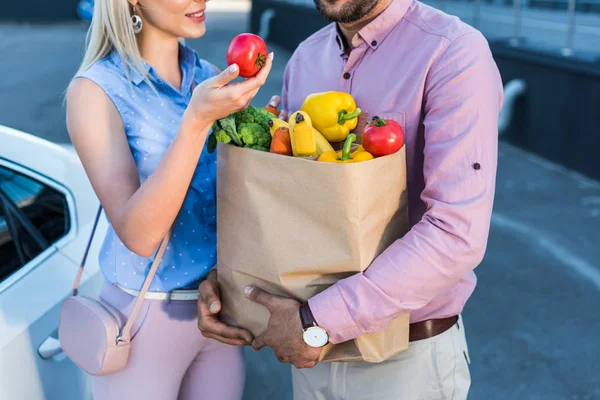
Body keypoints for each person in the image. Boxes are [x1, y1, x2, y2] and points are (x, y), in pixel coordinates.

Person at [198, 0, 503, 398]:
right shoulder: (306, 59)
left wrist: (318, 321)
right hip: (308, 362)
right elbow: (286, 205)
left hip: (403, 364)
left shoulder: (453, 52)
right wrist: (226, 283)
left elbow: (455, 233)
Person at [65, 0, 273, 398]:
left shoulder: (209, 77)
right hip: (143, 320)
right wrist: (195, 123)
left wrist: (266, 144)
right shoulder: (94, 91)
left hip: (217, 311)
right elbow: (139, 235)